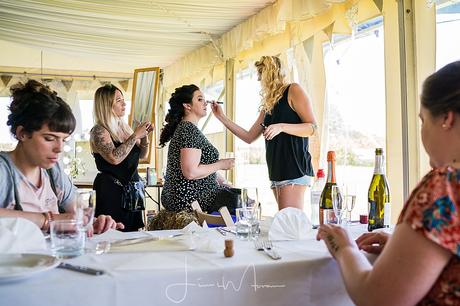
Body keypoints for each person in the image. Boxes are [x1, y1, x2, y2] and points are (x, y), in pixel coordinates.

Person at [317, 61, 460, 306]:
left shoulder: (445, 187)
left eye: (422, 120)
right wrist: (402, 249)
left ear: (446, 118)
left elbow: (378, 299)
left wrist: (344, 248)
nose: (422, 133)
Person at [0, 80, 123, 234]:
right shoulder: (4, 170)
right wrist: (48, 220)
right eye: (49, 138)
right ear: (22, 133)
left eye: (63, 140)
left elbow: (79, 214)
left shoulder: (52, 171)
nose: (59, 148)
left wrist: (95, 222)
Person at [211, 56, 317, 211]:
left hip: (294, 168)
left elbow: (312, 128)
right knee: (286, 221)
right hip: (277, 170)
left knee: (290, 223)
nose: (259, 79)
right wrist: (221, 117)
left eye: (261, 73)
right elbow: (249, 137)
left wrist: (281, 127)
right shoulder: (270, 102)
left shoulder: (294, 90)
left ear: (271, 72)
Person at [159, 84, 235, 213]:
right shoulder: (188, 130)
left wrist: (224, 182)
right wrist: (221, 164)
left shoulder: (187, 129)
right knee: (243, 201)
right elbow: (191, 172)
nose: (205, 102)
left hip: (188, 197)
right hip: (190, 200)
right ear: (187, 106)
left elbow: (201, 166)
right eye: (200, 99)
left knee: (235, 194)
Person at [90, 84, 152, 232]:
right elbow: (114, 158)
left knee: (132, 234)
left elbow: (142, 156)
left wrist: (144, 137)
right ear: (106, 104)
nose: (124, 103)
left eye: (123, 99)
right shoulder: (99, 130)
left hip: (132, 191)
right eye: (118, 100)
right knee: (112, 233)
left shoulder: (125, 128)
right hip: (111, 191)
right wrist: (136, 135)